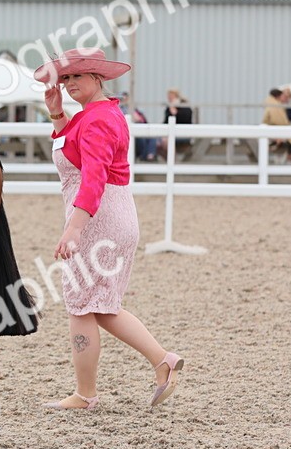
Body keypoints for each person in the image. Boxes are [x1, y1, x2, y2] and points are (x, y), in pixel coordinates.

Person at [37, 47, 185, 410]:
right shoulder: (95, 115)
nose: (70, 83)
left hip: (97, 218)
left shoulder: (99, 119)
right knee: (99, 306)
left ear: (98, 78)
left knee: (80, 306)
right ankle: (161, 360)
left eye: (78, 76)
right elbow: (72, 150)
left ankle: (85, 395)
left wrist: (74, 227)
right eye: (66, 77)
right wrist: (57, 112)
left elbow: (93, 177)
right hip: (108, 215)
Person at [262, 87, 291, 162]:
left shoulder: (271, 105)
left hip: (273, 132)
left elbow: (265, 120)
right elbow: (285, 121)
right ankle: (290, 157)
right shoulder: (278, 106)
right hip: (280, 133)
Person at [157, 87, 193, 158]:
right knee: (157, 142)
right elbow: (165, 122)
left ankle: (173, 160)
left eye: (171, 96)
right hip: (168, 132)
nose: (169, 98)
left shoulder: (184, 106)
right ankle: (169, 161)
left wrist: (176, 113)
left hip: (182, 133)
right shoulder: (169, 108)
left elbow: (186, 120)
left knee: (166, 141)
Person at [119, 91, 155, 161]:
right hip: (131, 128)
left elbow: (142, 118)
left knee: (152, 137)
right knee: (141, 139)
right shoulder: (121, 108)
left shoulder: (134, 108)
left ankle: (150, 155)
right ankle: (143, 156)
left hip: (141, 125)